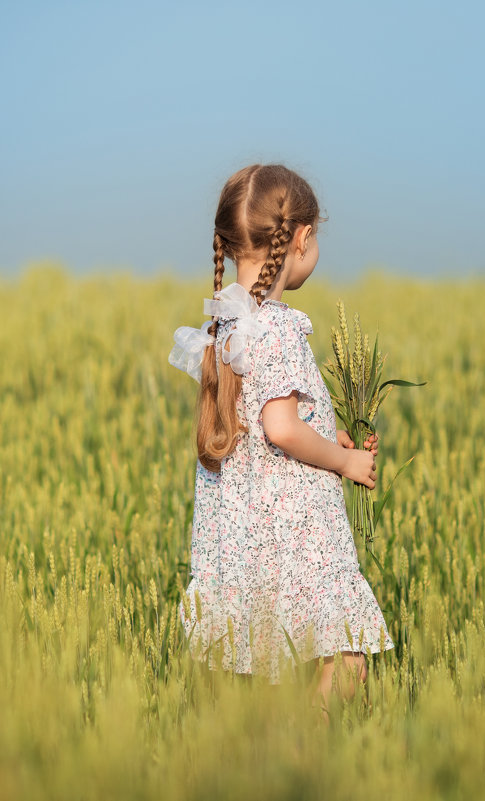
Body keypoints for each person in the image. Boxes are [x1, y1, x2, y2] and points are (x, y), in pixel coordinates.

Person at [168, 163, 394, 721]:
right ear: (301, 239)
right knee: (347, 652)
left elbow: (265, 420)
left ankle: (263, 755)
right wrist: (343, 459)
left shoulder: (225, 326)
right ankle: (305, 749)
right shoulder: (280, 325)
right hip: (296, 530)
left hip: (244, 533)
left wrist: (327, 435)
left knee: (265, 661)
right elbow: (281, 428)